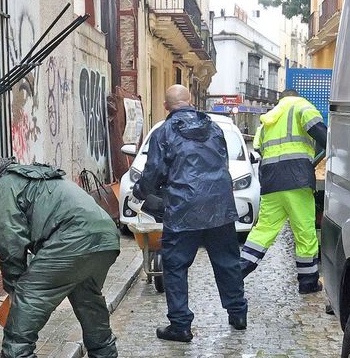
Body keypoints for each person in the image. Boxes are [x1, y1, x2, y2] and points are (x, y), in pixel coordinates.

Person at [0, 158, 122, 358]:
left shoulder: (5, 183)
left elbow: (9, 238)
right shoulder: (42, 177)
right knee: (86, 296)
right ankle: (104, 357)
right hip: (105, 236)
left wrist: (15, 284)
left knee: (30, 293)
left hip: (74, 237)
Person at [134, 85, 248, 341]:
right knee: (227, 261)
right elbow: (222, 164)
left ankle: (180, 325)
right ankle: (238, 313)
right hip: (219, 206)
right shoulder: (215, 128)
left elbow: (154, 172)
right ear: (190, 101)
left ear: (166, 106)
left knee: (175, 266)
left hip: (183, 208)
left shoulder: (164, 133)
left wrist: (141, 193)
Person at [240, 87, 328, 293]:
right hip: (297, 180)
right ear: (296, 97)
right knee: (304, 231)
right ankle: (308, 283)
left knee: (263, 230)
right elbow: (323, 136)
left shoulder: (268, 119)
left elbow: (259, 148)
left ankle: (237, 272)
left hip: (271, 182)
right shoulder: (302, 106)